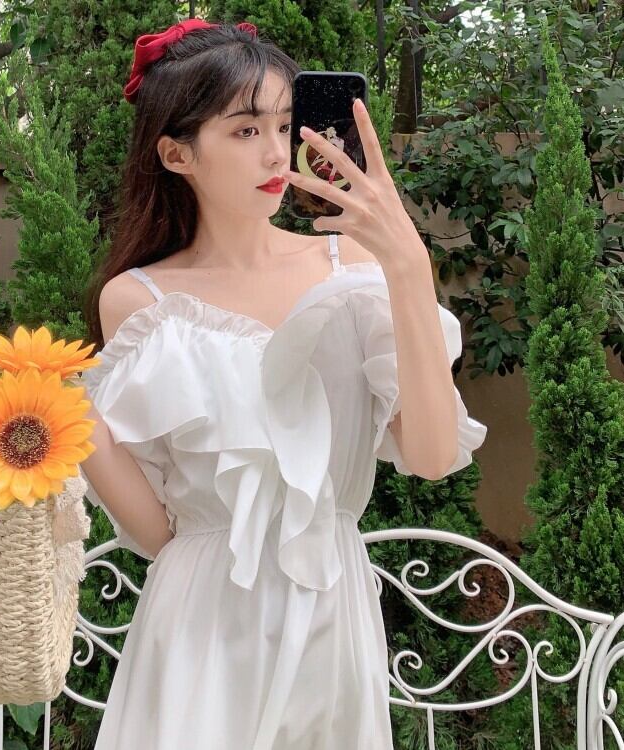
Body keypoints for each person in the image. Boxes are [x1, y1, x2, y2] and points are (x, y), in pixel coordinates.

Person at [78, 18, 488, 750]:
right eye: (244, 130)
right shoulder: (137, 300)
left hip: (332, 616)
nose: (276, 152)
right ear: (176, 153)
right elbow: (157, 532)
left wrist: (407, 265)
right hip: (200, 627)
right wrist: (63, 419)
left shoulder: (354, 271)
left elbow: (430, 455)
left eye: (284, 124)